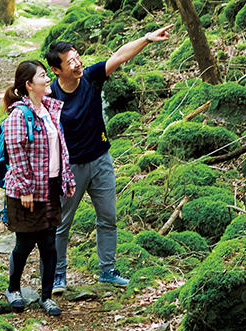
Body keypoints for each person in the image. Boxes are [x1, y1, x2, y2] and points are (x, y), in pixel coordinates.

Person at [46, 24, 173, 293]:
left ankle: (108, 270)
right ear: (56, 70)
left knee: (108, 216)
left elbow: (120, 56)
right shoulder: (50, 96)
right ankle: (58, 275)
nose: (78, 63)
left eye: (77, 57)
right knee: (61, 223)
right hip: (70, 168)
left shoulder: (91, 77)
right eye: (70, 62)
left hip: (101, 160)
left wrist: (148, 38)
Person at [2, 60, 76, 316]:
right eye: (43, 76)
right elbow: (16, 153)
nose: (47, 80)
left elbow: (60, 149)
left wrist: (66, 179)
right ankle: (13, 289)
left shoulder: (49, 109)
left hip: (51, 188)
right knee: (24, 244)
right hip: (27, 193)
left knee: (49, 245)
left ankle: (46, 297)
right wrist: (24, 189)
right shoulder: (18, 115)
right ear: (28, 84)